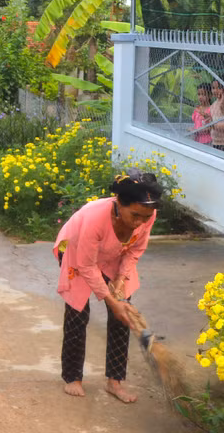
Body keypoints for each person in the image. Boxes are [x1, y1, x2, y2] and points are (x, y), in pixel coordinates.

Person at [52, 169, 162, 403]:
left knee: (123, 315)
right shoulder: (95, 217)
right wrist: (111, 300)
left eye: (146, 217)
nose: (140, 222)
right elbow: (86, 264)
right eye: (135, 215)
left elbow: (135, 250)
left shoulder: (147, 213)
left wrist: (120, 282)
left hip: (114, 252)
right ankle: (73, 377)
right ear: (119, 204)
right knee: (77, 313)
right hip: (73, 247)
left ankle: (115, 381)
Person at [210, 78, 224, 153]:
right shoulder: (213, 105)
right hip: (215, 141)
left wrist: (214, 125)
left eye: (218, 88)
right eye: (213, 88)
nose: (215, 90)